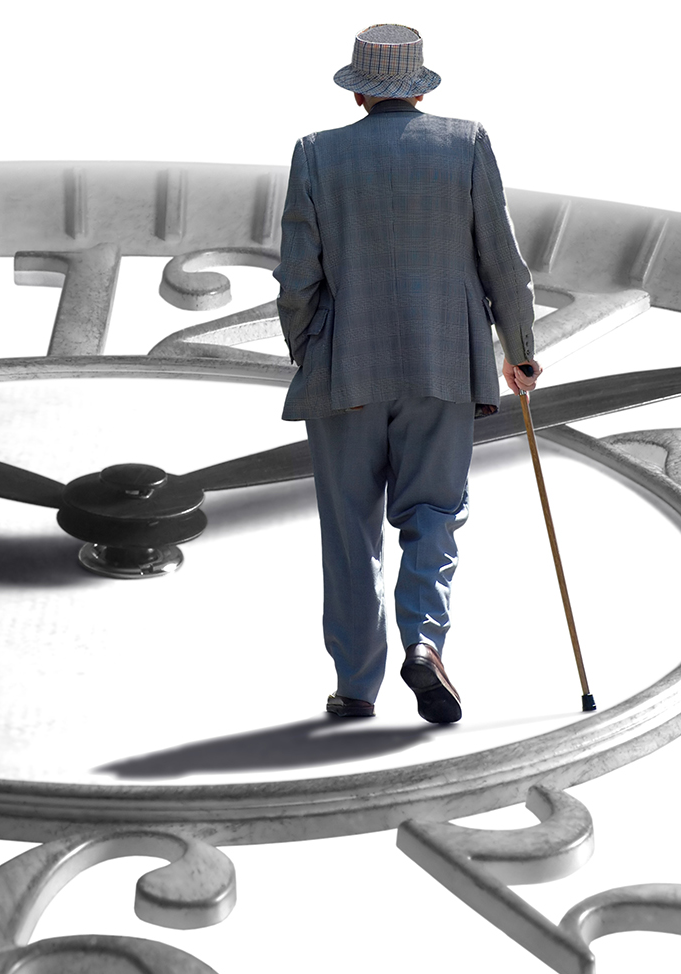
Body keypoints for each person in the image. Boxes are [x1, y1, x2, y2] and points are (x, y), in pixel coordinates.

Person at [274, 23, 541, 724]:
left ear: (358, 89)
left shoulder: (316, 154)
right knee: (433, 515)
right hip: (445, 366)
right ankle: (424, 646)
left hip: (345, 372)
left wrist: (309, 351)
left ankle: (356, 687)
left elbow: (297, 276)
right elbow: (502, 262)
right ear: (418, 87)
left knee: (349, 531)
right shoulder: (466, 143)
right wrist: (519, 348)